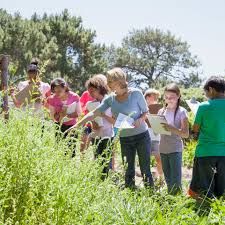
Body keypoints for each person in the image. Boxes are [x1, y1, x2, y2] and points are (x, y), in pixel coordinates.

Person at [68, 68, 154, 188]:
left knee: (145, 169)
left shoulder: (136, 93)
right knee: (128, 170)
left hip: (141, 136)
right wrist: (77, 124)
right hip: (125, 138)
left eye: (110, 81)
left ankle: (150, 194)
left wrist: (140, 120)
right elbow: (94, 113)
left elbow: (145, 112)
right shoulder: (110, 99)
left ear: (119, 81)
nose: (107, 84)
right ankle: (130, 194)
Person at [188, 76, 225, 199]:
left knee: (205, 191)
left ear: (211, 89)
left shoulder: (203, 106)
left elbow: (195, 131)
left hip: (205, 152)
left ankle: (203, 213)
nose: (206, 95)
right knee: (222, 191)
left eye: (206, 92)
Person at [158, 83, 189, 194]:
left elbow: (185, 134)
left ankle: (177, 200)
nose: (168, 100)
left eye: (171, 97)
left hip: (175, 149)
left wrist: (171, 128)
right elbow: (159, 130)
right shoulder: (161, 111)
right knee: (168, 178)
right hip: (162, 148)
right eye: (166, 97)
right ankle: (171, 201)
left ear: (178, 96)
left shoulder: (182, 112)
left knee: (175, 179)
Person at [85, 74, 115, 179]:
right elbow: (92, 122)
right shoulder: (91, 104)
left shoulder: (111, 100)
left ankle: (107, 183)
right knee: (98, 160)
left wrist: (103, 115)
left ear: (99, 88)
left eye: (92, 91)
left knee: (107, 162)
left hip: (108, 136)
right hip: (97, 136)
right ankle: (99, 182)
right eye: (89, 92)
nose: (91, 94)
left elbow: (114, 121)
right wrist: (94, 123)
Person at [47, 78, 81, 157]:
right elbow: (53, 116)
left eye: (59, 91)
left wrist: (67, 115)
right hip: (59, 126)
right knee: (59, 148)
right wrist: (61, 115)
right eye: (55, 91)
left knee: (71, 150)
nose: (57, 93)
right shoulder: (52, 99)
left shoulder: (74, 96)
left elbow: (79, 113)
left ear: (65, 88)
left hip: (72, 126)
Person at [144, 89, 163, 178]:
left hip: (156, 137)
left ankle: (161, 178)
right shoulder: (142, 108)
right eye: (154, 97)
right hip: (145, 137)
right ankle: (147, 178)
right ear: (147, 97)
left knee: (159, 158)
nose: (156, 99)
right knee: (145, 159)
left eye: (157, 97)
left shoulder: (160, 109)